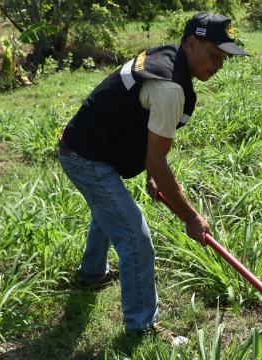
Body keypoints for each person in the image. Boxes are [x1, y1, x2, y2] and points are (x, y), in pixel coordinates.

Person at [57, 12, 247, 335]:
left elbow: (149, 144)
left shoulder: (170, 58)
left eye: (224, 58)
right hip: (85, 156)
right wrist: (191, 217)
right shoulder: (171, 88)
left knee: (108, 211)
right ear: (191, 43)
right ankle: (142, 326)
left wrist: (151, 175)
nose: (219, 65)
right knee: (135, 237)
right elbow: (157, 160)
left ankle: (91, 275)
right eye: (215, 55)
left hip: (88, 145)